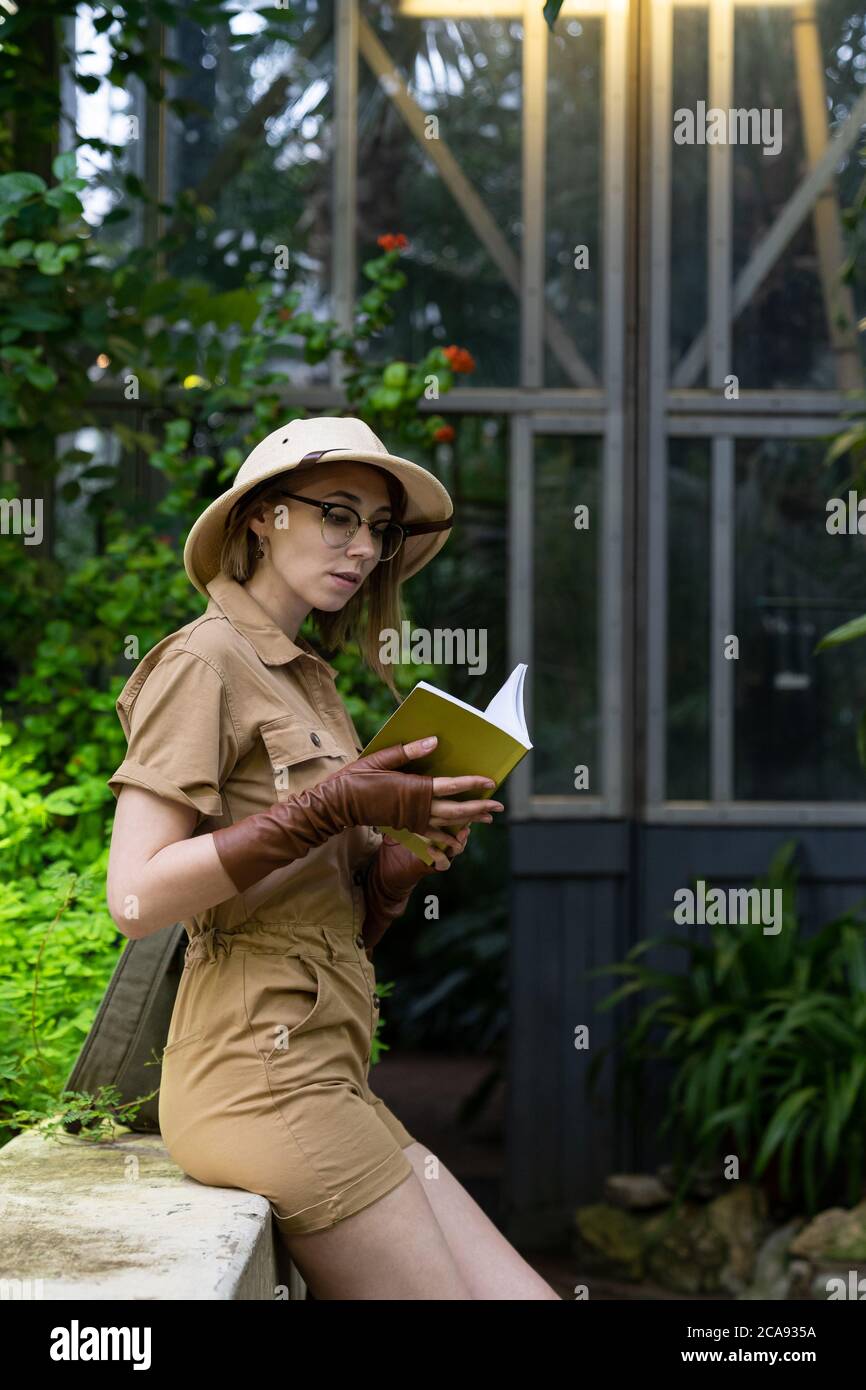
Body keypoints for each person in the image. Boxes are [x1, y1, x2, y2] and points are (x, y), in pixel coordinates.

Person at [106, 414, 560, 1300]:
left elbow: (322, 925)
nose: (363, 547)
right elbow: (135, 898)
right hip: (258, 1078)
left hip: (330, 1070)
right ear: (263, 518)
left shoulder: (309, 681)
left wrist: (392, 869)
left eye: (380, 529)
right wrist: (332, 803)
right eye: (338, 515)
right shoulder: (201, 662)